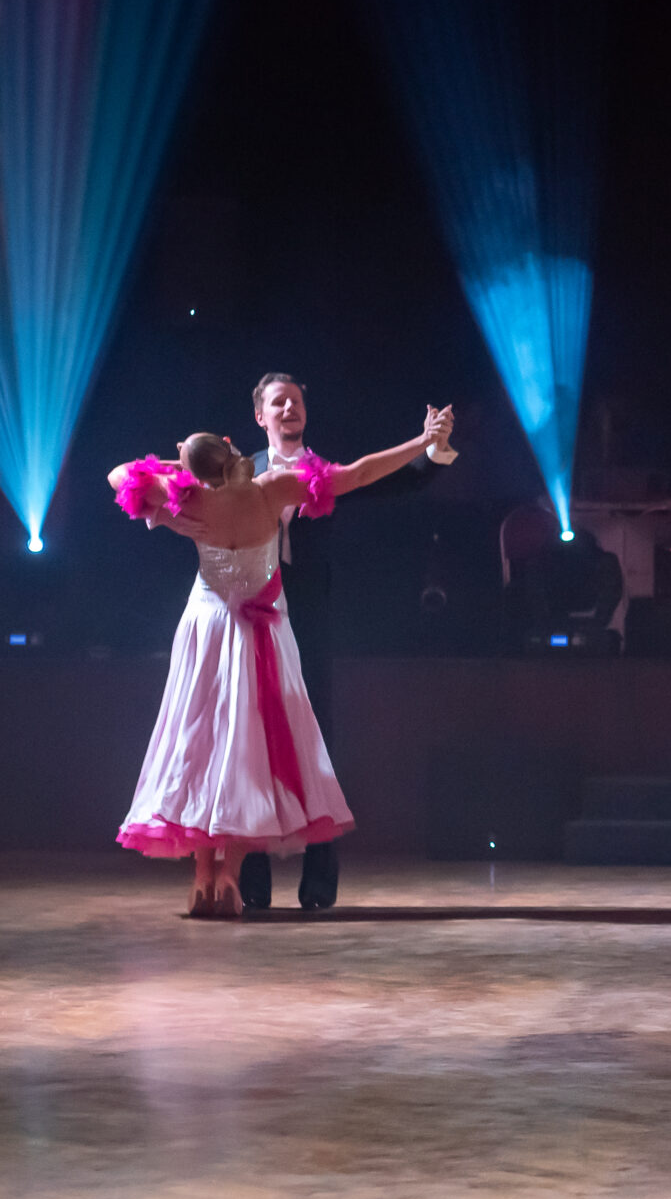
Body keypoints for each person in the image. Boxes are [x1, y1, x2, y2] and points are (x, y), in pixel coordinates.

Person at [109, 423, 444, 917]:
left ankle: (203, 877)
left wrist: (177, 469)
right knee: (248, 747)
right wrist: (420, 442)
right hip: (259, 632)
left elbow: (119, 475)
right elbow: (358, 474)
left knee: (200, 742)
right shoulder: (272, 490)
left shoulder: (186, 500)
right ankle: (229, 874)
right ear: (229, 448)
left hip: (207, 628)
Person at [239, 375, 454, 910]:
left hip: (308, 617)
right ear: (260, 416)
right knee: (249, 743)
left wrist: (433, 448)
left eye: (296, 401)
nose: (289, 408)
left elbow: (390, 480)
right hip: (252, 620)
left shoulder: (323, 471)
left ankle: (318, 882)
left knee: (317, 743)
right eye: (278, 402)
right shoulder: (239, 471)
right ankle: (252, 881)